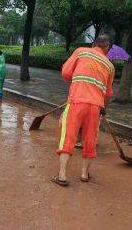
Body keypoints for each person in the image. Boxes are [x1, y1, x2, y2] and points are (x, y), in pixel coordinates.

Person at [52, 34, 115, 187]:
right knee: (90, 139)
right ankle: (84, 174)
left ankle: (62, 175)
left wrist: (78, 79)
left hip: (76, 102)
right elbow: (108, 94)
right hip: (96, 107)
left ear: (94, 44)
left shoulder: (81, 51)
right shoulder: (110, 66)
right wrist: (103, 109)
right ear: (107, 48)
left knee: (68, 136)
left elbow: (66, 73)